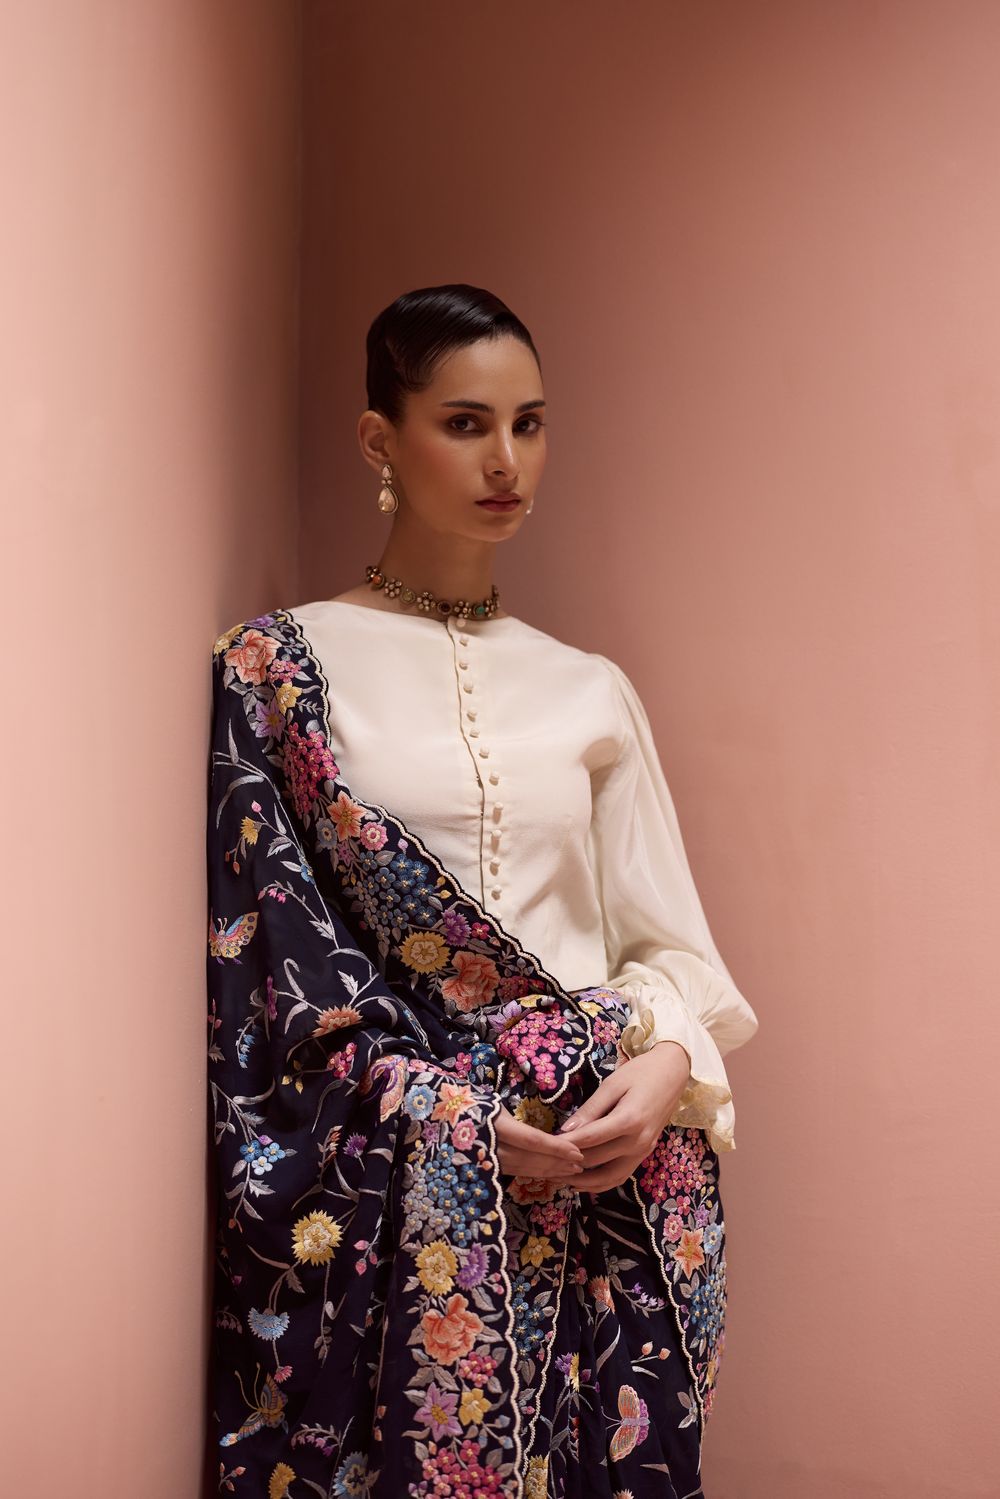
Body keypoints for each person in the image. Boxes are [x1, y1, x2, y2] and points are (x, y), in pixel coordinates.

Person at [207, 283, 760, 1499]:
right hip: (401, 1197)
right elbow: (269, 985)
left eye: (530, 422)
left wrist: (664, 1066)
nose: (508, 461)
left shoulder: (589, 688)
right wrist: (436, 1114)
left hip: (607, 1177)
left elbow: (675, 956)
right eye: (465, 423)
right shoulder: (278, 667)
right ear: (380, 439)